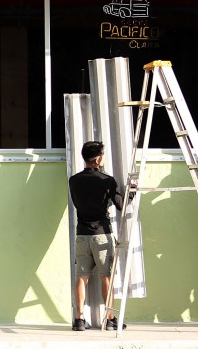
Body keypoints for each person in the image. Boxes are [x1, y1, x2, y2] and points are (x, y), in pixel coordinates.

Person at [68, 140, 127, 332]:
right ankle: (110, 319)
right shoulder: (106, 180)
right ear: (98, 159)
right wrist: (131, 192)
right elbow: (121, 205)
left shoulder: (74, 180)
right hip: (102, 234)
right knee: (106, 277)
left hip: (82, 235)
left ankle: (79, 319)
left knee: (81, 277)